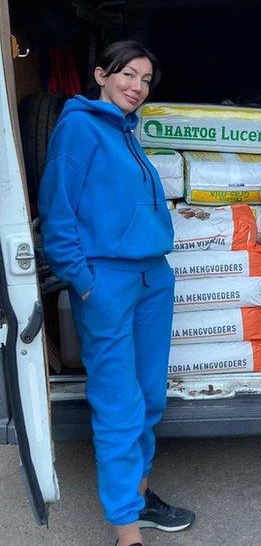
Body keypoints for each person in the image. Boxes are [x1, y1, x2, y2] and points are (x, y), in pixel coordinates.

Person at [39, 40, 195, 546]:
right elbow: (57, 215)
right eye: (128, 74)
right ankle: (127, 533)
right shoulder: (78, 128)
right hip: (108, 283)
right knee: (119, 403)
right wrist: (84, 283)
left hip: (152, 279)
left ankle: (141, 497)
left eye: (146, 80)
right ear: (101, 74)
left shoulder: (127, 132)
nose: (137, 87)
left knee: (150, 396)